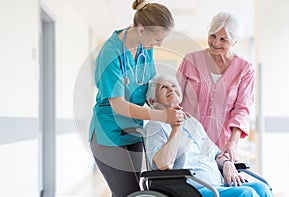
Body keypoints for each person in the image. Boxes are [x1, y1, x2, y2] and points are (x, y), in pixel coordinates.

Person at [88, 1, 185, 196]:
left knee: (136, 191)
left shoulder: (145, 47)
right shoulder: (111, 53)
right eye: (158, 39)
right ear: (141, 30)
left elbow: (149, 87)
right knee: (129, 193)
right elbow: (119, 106)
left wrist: (171, 105)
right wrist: (163, 116)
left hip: (134, 131)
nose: (160, 44)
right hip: (109, 134)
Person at [144, 75, 273, 197]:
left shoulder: (192, 122)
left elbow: (216, 154)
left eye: (173, 85)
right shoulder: (154, 126)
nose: (171, 88)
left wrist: (227, 163)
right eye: (164, 87)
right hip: (193, 189)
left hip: (218, 183)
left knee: (262, 188)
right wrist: (176, 127)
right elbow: (163, 164)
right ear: (153, 101)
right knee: (246, 194)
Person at [176, 12, 255, 162]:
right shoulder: (191, 59)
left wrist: (233, 143)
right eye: (213, 36)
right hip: (187, 139)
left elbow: (242, 109)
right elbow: (174, 98)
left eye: (223, 39)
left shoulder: (245, 68)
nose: (216, 43)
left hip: (221, 145)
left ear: (234, 42)